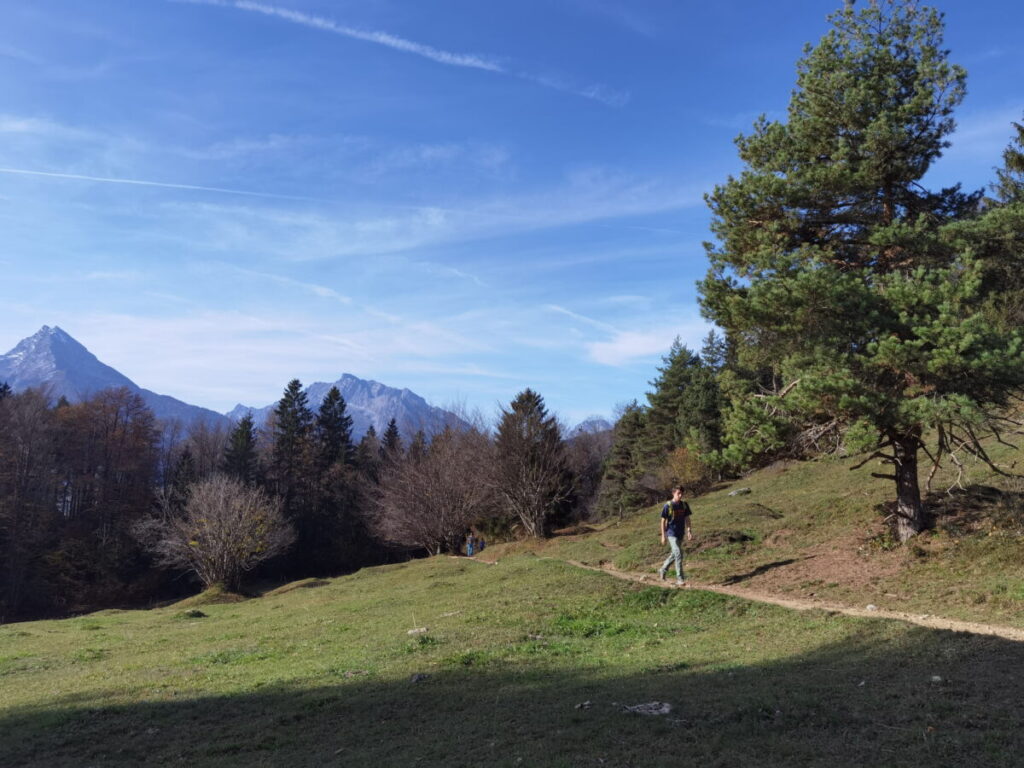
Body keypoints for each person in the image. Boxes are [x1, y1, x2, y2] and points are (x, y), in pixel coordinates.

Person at [658, 486, 693, 585]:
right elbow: (663, 521)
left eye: (681, 493)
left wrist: (689, 531)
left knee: (674, 554)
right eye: (678, 493)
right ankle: (680, 578)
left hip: (680, 533)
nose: (680, 495)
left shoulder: (684, 505)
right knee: (678, 553)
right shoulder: (668, 505)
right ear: (673, 493)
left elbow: (687, 518)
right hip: (671, 533)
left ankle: (663, 570)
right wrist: (663, 536)